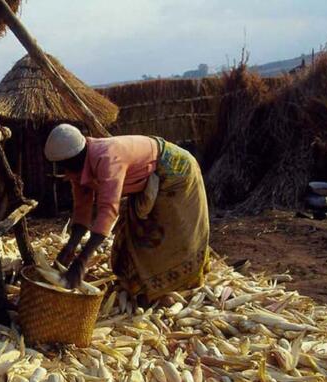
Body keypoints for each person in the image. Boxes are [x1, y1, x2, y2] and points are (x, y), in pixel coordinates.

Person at [45, 124, 210, 303]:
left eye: (66, 165)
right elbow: (82, 209)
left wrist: (82, 261)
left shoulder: (107, 157)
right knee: (136, 235)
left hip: (176, 172)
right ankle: (140, 286)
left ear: (77, 156)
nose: (65, 171)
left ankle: (177, 286)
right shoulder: (77, 170)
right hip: (147, 184)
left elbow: (108, 209)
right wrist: (70, 248)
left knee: (167, 235)